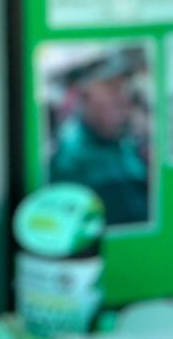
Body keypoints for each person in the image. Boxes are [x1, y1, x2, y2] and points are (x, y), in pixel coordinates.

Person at [48, 52, 151, 227]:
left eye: (124, 87)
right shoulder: (68, 158)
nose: (123, 98)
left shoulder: (127, 146)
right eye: (111, 87)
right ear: (82, 93)